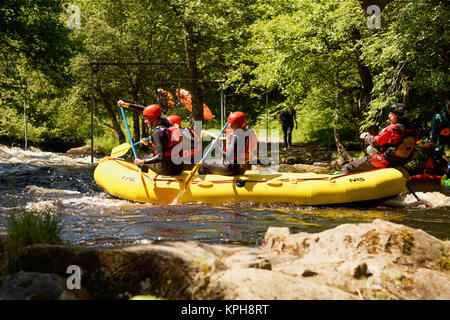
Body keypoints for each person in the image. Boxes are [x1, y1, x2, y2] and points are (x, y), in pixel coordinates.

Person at [341, 103, 419, 175]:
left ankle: (341, 185)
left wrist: (365, 136)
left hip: (384, 161)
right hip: (400, 162)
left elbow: (375, 142)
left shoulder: (393, 128)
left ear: (397, 116)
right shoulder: (413, 130)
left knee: (347, 166)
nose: (389, 116)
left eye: (391, 114)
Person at [117, 100, 185, 175]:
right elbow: (146, 110)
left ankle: (142, 180)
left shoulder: (157, 132)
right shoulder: (167, 124)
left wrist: (142, 162)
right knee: (150, 157)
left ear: (152, 118)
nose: (145, 121)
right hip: (179, 168)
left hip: (167, 170)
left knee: (143, 158)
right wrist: (128, 105)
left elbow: (160, 157)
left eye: (146, 119)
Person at [199, 111, 258, 176]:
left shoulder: (235, 137)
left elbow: (229, 157)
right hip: (242, 168)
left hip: (231, 169)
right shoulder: (247, 132)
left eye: (232, 124)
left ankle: (198, 183)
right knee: (214, 160)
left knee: (204, 164)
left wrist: (216, 146)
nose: (230, 125)